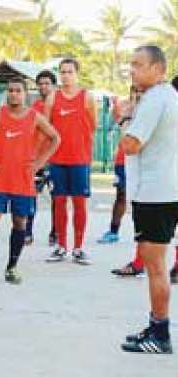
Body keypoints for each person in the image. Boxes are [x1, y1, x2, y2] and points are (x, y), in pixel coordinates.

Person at [0, 78, 60, 285]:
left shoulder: (35, 117)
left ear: (25, 94)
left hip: (23, 181)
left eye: (17, 90)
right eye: (10, 90)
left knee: (20, 223)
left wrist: (39, 164)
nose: (13, 94)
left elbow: (55, 138)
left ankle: (12, 267)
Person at [119, 45, 177, 354]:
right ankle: (156, 326)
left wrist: (124, 120)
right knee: (156, 263)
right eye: (132, 64)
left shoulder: (155, 99)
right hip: (163, 191)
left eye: (139, 64)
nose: (133, 70)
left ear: (159, 69)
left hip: (155, 194)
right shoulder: (168, 97)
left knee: (155, 266)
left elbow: (130, 144)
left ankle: (161, 334)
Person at [111, 78, 178, 283]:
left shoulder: (163, 108)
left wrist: (124, 121)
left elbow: (131, 144)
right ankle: (142, 263)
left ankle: (151, 266)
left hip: (163, 185)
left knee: (154, 235)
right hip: (157, 182)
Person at [44, 58, 97, 265]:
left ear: (77, 74)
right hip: (57, 159)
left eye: (69, 71)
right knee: (58, 203)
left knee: (80, 204)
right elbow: (46, 128)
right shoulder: (52, 98)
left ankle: (78, 247)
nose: (65, 75)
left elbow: (92, 126)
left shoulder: (87, 97)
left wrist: (80, 146)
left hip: (79, 160)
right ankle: (61, 246)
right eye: (62, 71)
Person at [98, 86, 141, 245]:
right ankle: (113, 230)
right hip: (123, 160)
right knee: (121, 195)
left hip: (142, 161)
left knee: (142, 200)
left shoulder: (151, 110)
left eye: (140, 91)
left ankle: (143, 233)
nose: (138, 94)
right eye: (135, 91)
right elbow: (122, 126)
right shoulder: (126, 109)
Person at [26, 69, 57, 246]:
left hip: (56, 159)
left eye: (47, 83)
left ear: (54, 86)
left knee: (57, 198)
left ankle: (55, 232)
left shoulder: (60, 107)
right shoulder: (34, 108)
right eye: (41, 84)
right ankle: (27, 232)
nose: (43, 87)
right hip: (37, 159)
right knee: (31, 196)